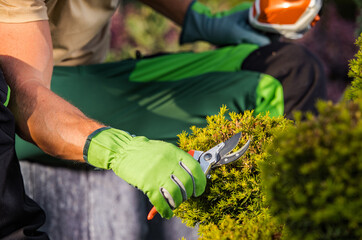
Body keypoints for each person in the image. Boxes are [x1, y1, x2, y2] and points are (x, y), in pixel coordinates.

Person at [0, 0, 326, 238]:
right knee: (262, 93)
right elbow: (26, 100)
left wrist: (202, 21)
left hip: (94, 76)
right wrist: (118, 150)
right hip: (32, 96)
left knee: (288, 70)